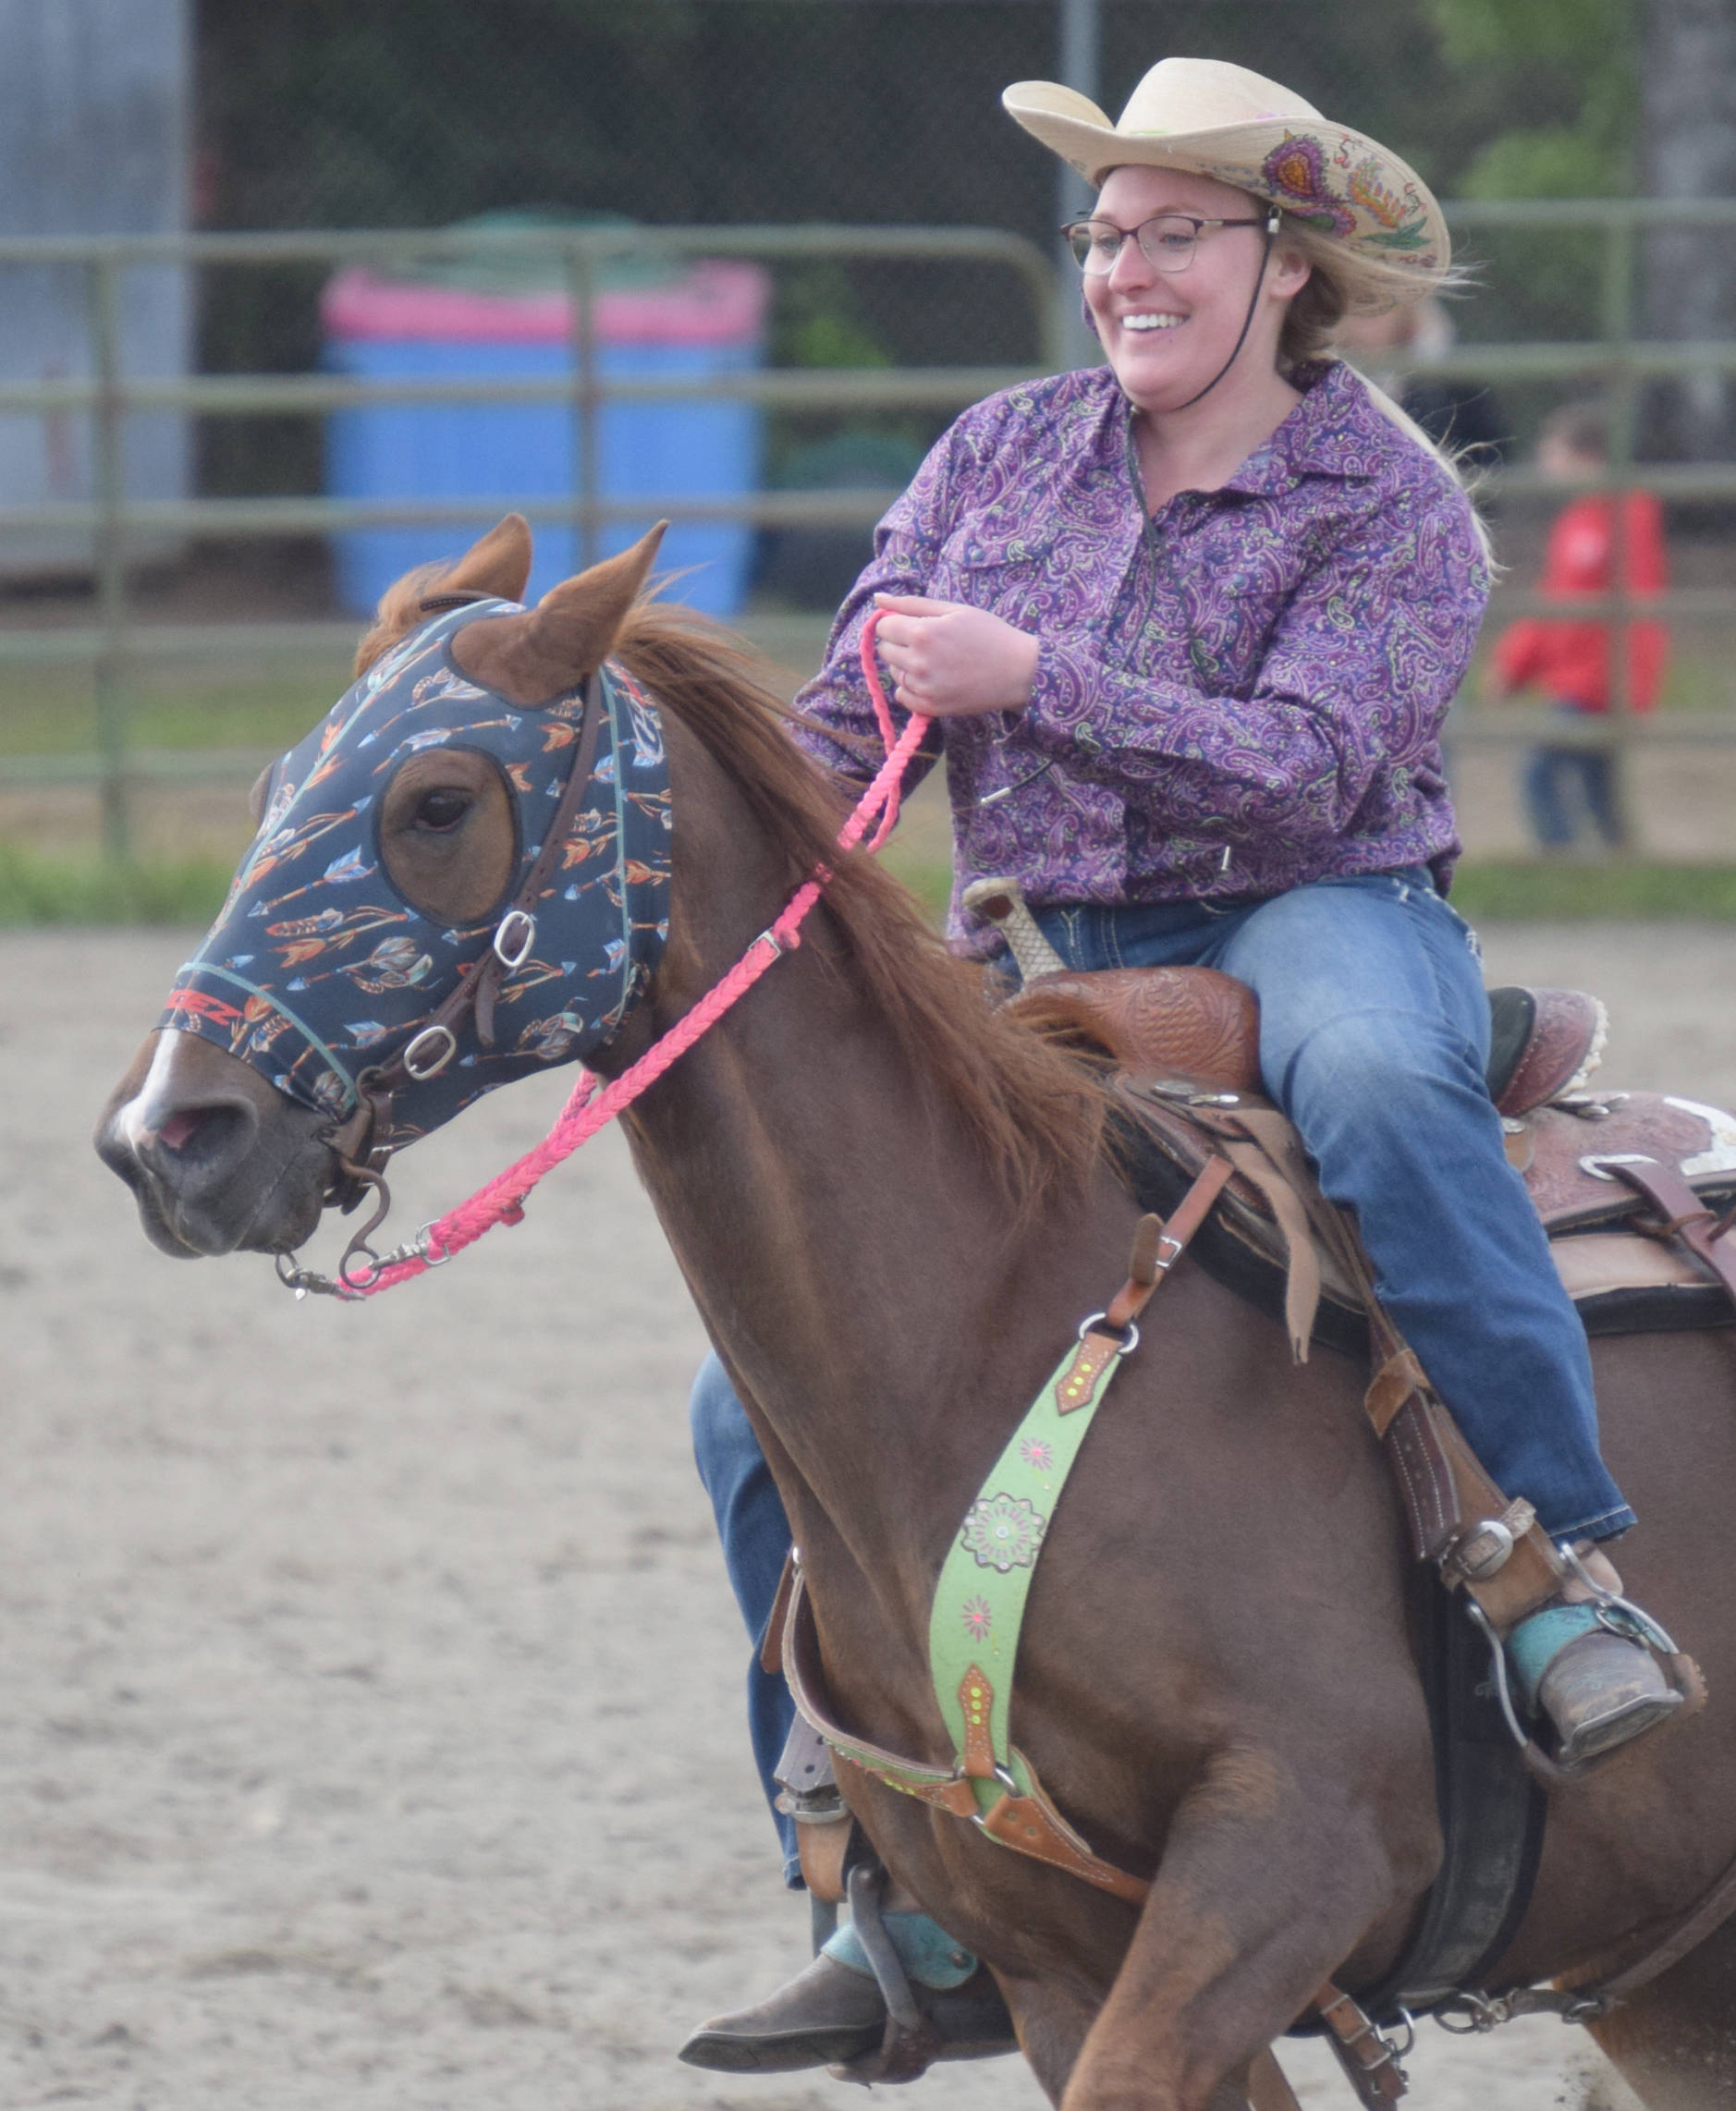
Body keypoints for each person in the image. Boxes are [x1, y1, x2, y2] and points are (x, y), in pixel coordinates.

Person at [679, 57, 1687, 2075]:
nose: (1126, 270)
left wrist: (1038, 680)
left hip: (1312, 909)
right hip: (1041, 948)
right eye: (1105, 236)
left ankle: (1558, 1561)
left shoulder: (1385, 491)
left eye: (1175, 235)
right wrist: (755, 817)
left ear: (1281, 265)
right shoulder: (997, 456)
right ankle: (881, 1865)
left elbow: (1317, 760)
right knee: (750, 1393)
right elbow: (844, 716)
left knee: (1393, 1099)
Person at [1486, 400, 1669, 852]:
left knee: (1542, 771)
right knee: (1596, 780)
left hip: (1600, 682)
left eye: (1554, 451)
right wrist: (1516, 666)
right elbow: (1556, 605)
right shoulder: (1578, 520)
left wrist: (1632, 679)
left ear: (1586, 457)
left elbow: (1619, 607)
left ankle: (1560, 861)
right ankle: (1617, 860)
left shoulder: (1626, 514)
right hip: (1580, 680)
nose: (1546, 461)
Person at [1339, 294, 1508, 468]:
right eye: (1359, 310)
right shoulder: (1326, 379)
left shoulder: (1453, 380)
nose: (1366, 323)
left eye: (1376, 308)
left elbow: (1489, 456)